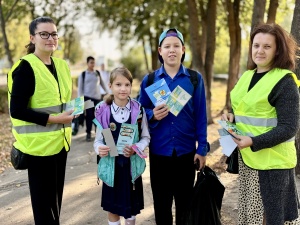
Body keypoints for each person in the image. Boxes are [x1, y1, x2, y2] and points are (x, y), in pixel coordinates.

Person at [221, 23, 300, 225]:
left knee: (272, 218)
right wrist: (231, 116)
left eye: (267, 46)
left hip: (273, 163)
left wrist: (253, 141)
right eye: (256, 45)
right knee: (251, 217)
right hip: (250, 160)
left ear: (277, 50)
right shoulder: (247, 76)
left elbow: (289, 127)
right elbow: (244, 109)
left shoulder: (284, 81)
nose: (260, 51)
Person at [138, 28, 209, 225]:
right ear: (160, 51)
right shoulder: (150, 80)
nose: (172, 50)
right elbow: (137, 111)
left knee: (185, 207)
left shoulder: (194, 79)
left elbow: (201, 115)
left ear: (183, 49)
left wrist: (202, 148)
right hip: (159, 152)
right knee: (162, 207)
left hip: (186, 153)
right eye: (167, 46)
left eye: (176, 46)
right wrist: (152, 114)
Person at [7, 16, 74, 225]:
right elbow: (17, 110)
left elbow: (62, 100)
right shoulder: (25, 68)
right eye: (44, 34)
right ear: (32, 38)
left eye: (53, 34)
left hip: (60, 145)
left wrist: (75, 111)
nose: (50, 38)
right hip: (38, 150)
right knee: (44, 211)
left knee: (55, 206)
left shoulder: (61, 65)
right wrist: (55, 119)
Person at [93, 67, 150, 225]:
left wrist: (136, 147)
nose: (123, 89)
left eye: (127, 84)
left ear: (131, 86)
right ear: (110, 86)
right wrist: (100, 149)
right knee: (113, 209)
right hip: (111, 169)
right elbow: (97, 141)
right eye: (118, 84)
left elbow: (146, 137)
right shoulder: (103, 111)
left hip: (131, 169)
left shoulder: (138, 110)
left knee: (131, 210)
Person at [76, 56, 109, 141]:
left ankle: (98, 132)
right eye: (91, 62)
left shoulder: (97, 73)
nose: (93, 64)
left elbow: (103, 84)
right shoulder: (83, 74)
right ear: (87, 63)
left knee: (98, 116)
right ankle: (88, 133)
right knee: (89, 116)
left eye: (94, 62)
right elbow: (80, 88)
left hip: (97, 98)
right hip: (88, 98)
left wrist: (108, 92)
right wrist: (79, 102)